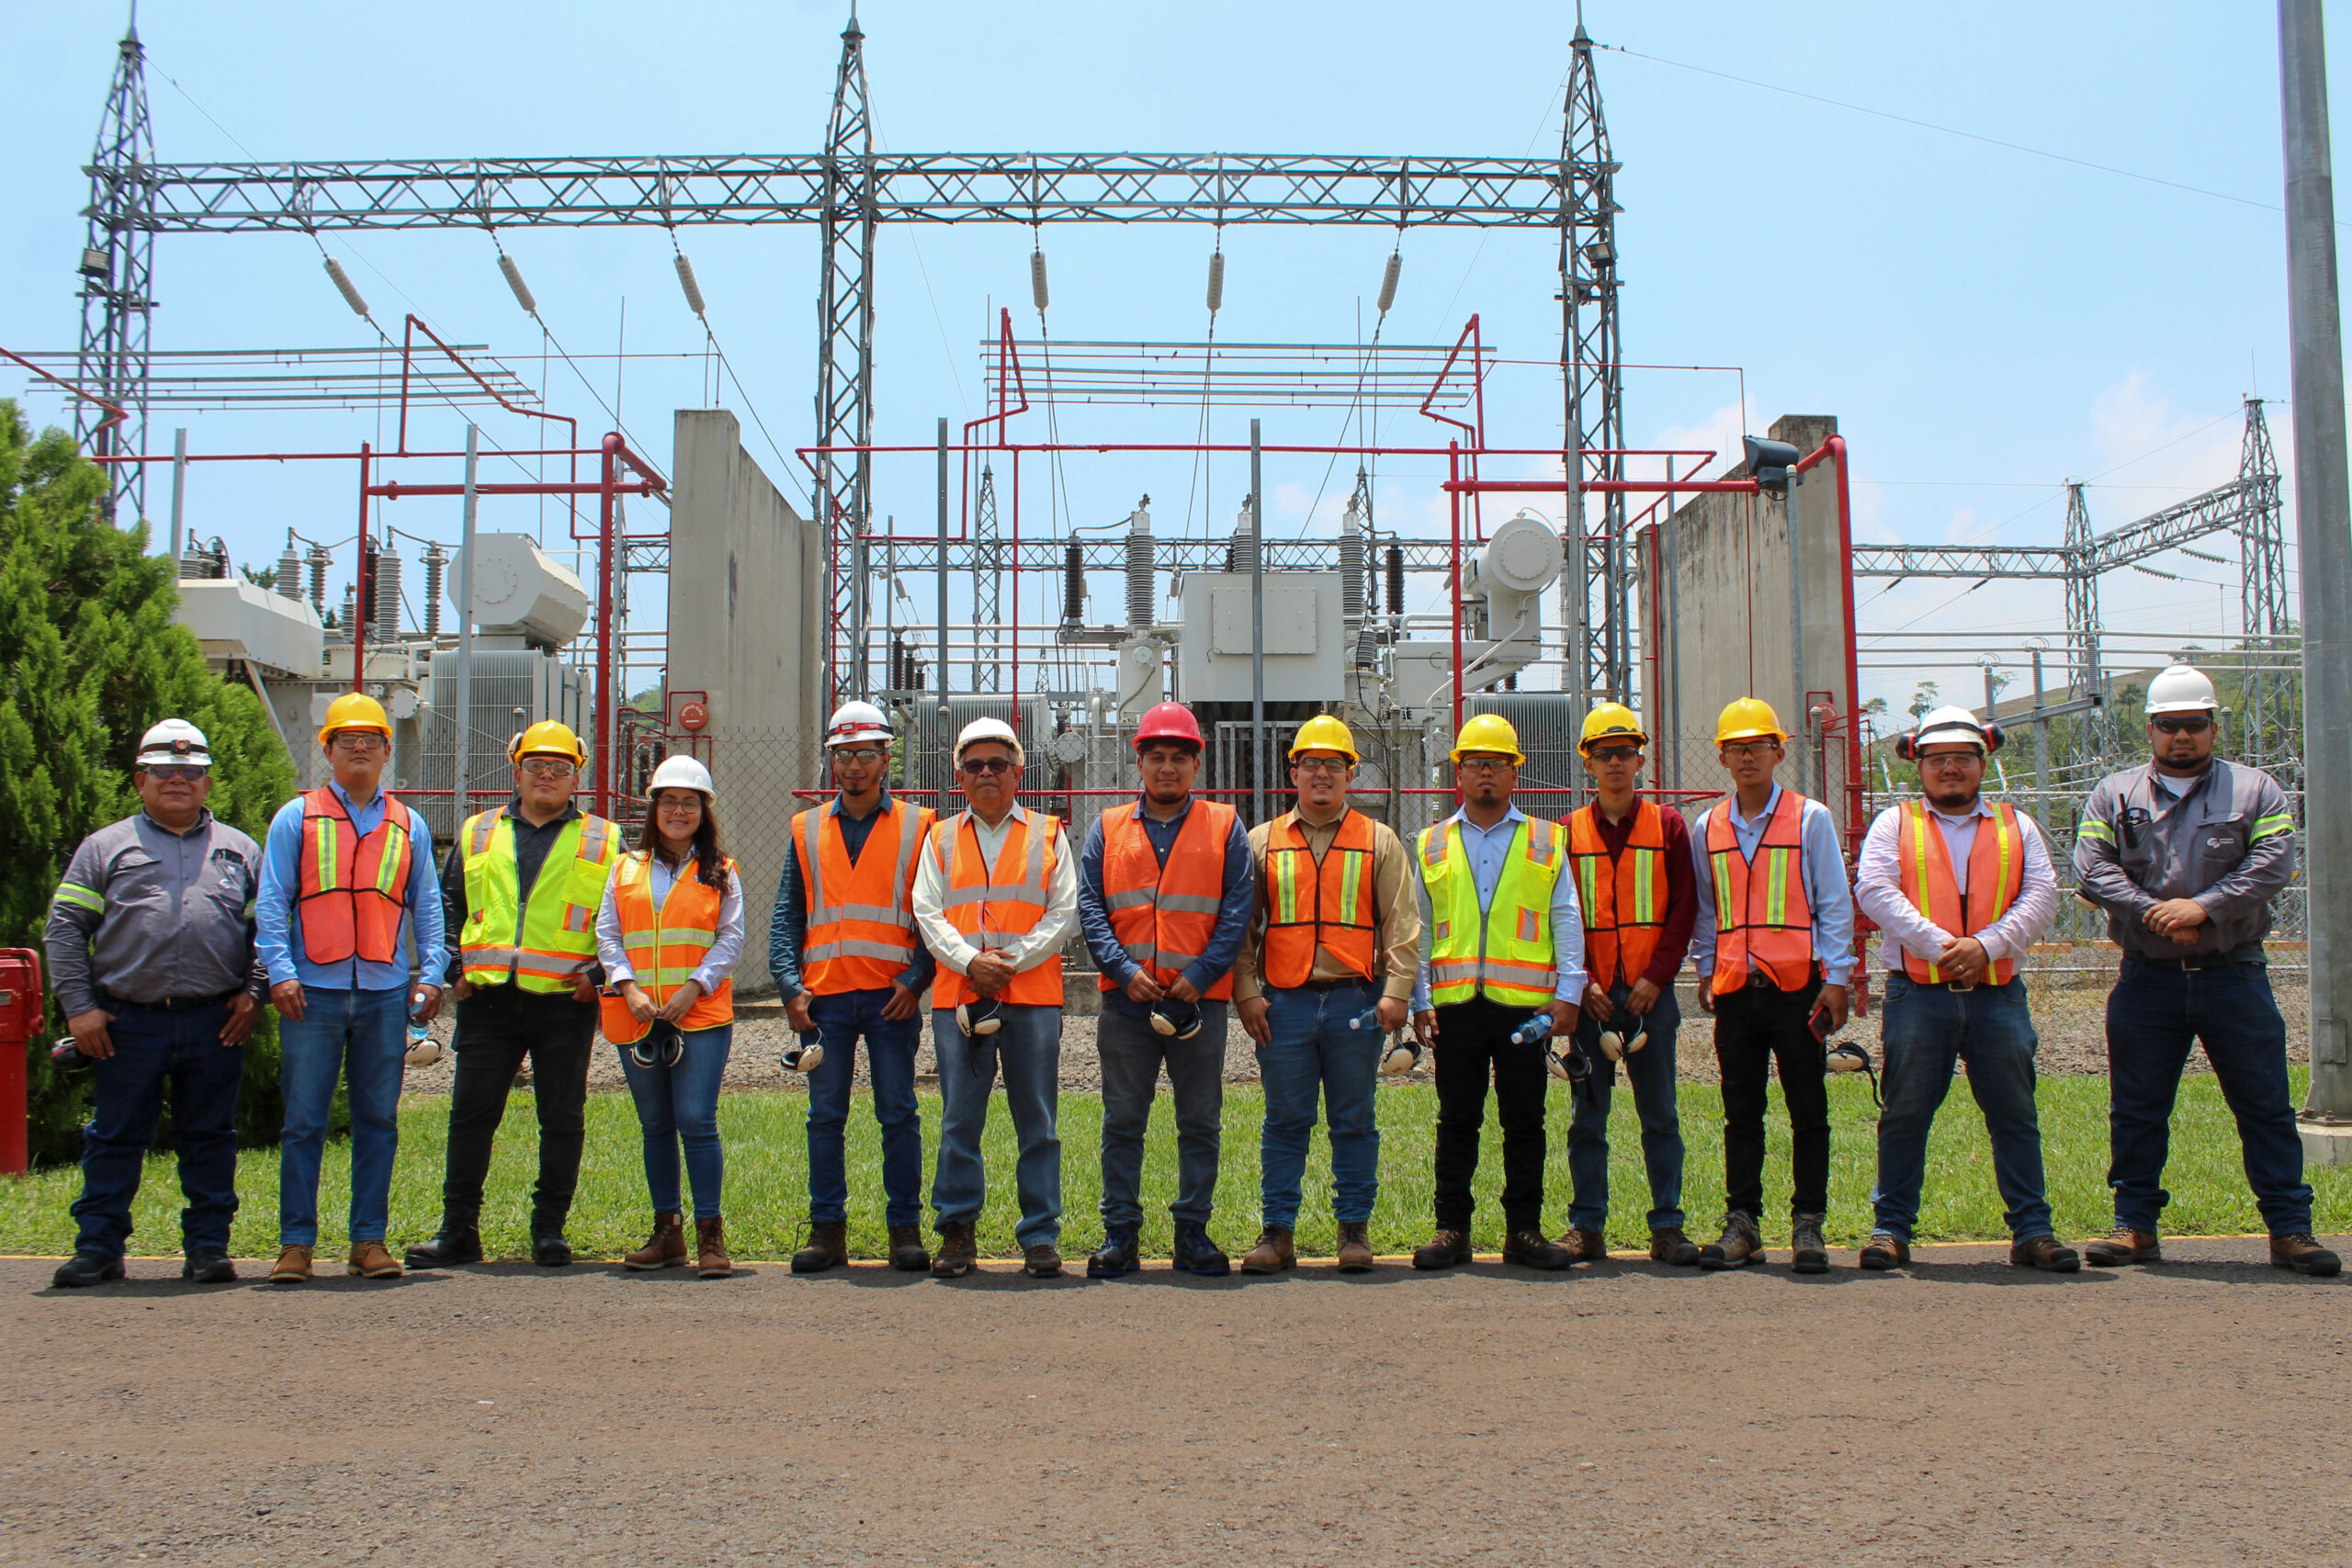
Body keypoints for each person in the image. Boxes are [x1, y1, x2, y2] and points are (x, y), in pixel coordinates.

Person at [2073, 663, 2337, 1276]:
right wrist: (2158, 914)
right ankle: (2135, 1225)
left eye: (2194, 724)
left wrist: (2204, 907)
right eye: (2169, 725)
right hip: (2148, 978)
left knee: (2265, 1104)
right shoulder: (2114, 795)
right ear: (2150, 728)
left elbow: (2274, 862)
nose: (2181, 736)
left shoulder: (2255, 790)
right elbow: (2091, 867)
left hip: (2233, 973)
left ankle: (2290, 1230)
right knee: (2137, 1107)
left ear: (2214, 726)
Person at [45, 720, 269, 1288]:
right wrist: (79, 1008)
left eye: (191, 772)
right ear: (140, 780)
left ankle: (209, 1249)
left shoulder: (241, 851)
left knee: (210, 1138)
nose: (178, 780)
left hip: (215, 1020)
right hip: (127, 1021)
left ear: (207, 783)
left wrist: (254, 992)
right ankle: (98, 1248)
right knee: (115, 1136)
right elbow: (65, 928)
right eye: (165, 771)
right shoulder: (105, 847)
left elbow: (269, 932)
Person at [1851, 706, 2075, 1272]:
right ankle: (1890, 1229)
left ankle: (2033, 1231)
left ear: (1982, 763)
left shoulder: (2015, 825)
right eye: (1938, 760)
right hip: (1918, 993)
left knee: (2014, 1115)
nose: (1950, 769)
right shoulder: (1893, 823)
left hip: (1997, 992)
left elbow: (2042, 895)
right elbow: (1875, 890)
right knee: (1904, 1113)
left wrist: (1988, 946)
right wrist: (1947, 948)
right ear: (1918, 765)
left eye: (1962, 759)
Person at [407, 720, 620, 1271]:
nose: (547, 777)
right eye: (536, 767)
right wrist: (455, 967)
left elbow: (623, 919)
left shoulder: (604, 838)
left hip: (563, 1000)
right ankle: (458, 1231)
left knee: (562, 1117)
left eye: (560, 769)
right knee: (472, 1116)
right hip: (488, 999)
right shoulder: (477, 831)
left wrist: (596, 976)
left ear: (577, 776)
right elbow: (449, 903)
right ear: (516, 770)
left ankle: (549, 1231)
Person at [254, 694, 446, 1284]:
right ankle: (296, 1245)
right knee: (304, 1120)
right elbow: (271, 901)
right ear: (327, 750)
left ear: (388, 751)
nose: (359, 747)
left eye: (370, 739)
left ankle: (369, 1241)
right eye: (346, 739)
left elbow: (429, 910)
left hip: (385, 994)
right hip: (312, 992)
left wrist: (432, 974)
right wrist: (281, 972)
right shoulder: (296, 817)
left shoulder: (407, 824)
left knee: (377, 1121)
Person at [1232, 715, 1419, 1275]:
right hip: (1283, 1004)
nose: (1321, 774)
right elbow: (1242, 926)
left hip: (1356, 1003)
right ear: (1294, 772)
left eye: (1333, 764)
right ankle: (1278, 1232)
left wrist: (1397, 992)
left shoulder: (1378, 840)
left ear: (1350, 774)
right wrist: (1246, 993)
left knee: (1354, 1120)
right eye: (1310, 763)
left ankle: (1353, 1231)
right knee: (1285, 1122)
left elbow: (1402, 924)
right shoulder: (1262, 841)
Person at [1076, 700, 1256, 1278]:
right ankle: (1120, 1236)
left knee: (1199, 1120)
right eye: (1158, 757)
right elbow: (1091, 909)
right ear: (1140, 763)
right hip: (1126, 1002)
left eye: (1180, 757)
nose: (1168, 768)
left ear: (1197, 765)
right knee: (1123, 1120)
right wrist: (1126, 972)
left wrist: (1199, 976)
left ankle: (1192, 1235)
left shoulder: (1226, 827)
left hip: (1198, 1003)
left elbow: (1236, 909)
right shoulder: (1106, 829)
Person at [1408, 712, 1584, 1272]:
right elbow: (1420, 927)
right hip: (1456, 1007)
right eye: (1476, 764)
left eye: (1498, 764)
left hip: (1523, 1007)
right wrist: (1420, 999)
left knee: (1524, 1121)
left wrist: (1570, 992)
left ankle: (1523, 1232)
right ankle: (1452, 1229)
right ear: (1458, 773)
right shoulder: (1432, 843)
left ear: (1516, 774)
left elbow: (1565, 917)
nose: (1486, 773)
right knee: (1457, 1119)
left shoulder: (1545, 839)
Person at [1687, 697, 1855, 1274]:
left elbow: (1834, 903)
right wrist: (1708, 968)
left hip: (1797, 988)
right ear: (1724, 758)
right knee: (1742, 1111)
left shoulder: (1810, 818)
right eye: (1736, 747)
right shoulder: (1707, 826)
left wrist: (1837, 979)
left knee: (1808, 1107)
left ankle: (1808, 1224)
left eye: (1758, 745)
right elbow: (1707, 910)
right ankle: (1743, 1224)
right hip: (1737, 988)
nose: (1747, 755)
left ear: (1778, 752)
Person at [771, 700, 937, 1275]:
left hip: (893, 999)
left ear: (886, 758)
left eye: (866, 753)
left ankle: (904, 1231)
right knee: (825, 1118)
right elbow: (786, 915)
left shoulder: (921, 826)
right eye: (843, 755)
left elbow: (933, 916)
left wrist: (916, 980)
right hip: (825, 1001)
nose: (854, 766)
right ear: (830, 761)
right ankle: (827, 1232)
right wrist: (790, 987)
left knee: (898, 1113)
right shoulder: (806, 827)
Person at [911, 717, 1079, 1280]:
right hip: (959, 996)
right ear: (959, 775)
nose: (987, 774)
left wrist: (1004, 964)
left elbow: (1065, 913)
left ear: (1019, 771)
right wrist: (969, 964)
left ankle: (1039, 1236)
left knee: (1038, 1120)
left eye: (998, 764)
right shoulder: (937, 838)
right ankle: (957, 1231)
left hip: (1030, 996)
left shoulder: (1049, 833)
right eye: (975, 765)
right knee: (960, 1118)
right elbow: (926, 911)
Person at [1558, 703, 1702, 1267]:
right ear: (1587, 764)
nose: (1615, 762)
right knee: (1588, 1117)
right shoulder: (1567, 832)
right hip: (1593, 998)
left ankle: (1667, 1225)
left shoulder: (1667, 827)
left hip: (1650, 995)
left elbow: (1683, 908)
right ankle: (1587, 1225)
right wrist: (1585, 983)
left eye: (1624, 752)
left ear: (1640, 759)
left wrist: (1656, 979)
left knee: (1660, 1114)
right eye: (1604, 754)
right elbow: (1560, 916)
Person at [599, 754, 744, 1280]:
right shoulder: (625, 867)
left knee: (697, 1122)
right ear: (654, 808)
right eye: (669, 801)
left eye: (689, 802)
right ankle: (667, 1233)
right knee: (656, 1126)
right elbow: (608, 935)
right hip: (638, 1015)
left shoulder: (721, 870)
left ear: (703, 811)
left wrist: (693, 987)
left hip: (699, 1013)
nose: (678, 811)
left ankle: (710, 1234)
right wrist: (629, 988)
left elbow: (731, 938)